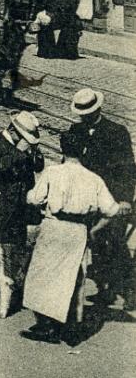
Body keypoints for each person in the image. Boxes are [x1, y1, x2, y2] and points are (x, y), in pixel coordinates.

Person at [20, 153, 130, 343]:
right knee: (69, 278)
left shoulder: (52, 172)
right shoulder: (94, 178)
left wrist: (32, 196)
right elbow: (110, 210)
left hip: (54, 226)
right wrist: (96, 227)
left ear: (64, 153)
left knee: (42, 275)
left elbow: (35, 198)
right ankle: (66, 326)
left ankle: (47, 326)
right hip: (78, 230)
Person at [60, 89, 136, 308]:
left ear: (98, 109)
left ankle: (130, 292)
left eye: (89, 113)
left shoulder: (117, 132)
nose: (85, 118)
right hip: (87, 200)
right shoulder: (75, 130)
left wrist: (124, 200)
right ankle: (106, 290)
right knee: (97, 246)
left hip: (112, 199)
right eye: (82, 114)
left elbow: (127, 170)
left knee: (116, 244)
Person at [0, 113, 44, 306]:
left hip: (21, 207)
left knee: (18, 249)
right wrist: (20, 151)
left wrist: (34, 152)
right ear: (13, 131)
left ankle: (16, 293)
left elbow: (38, 166)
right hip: (1, 208)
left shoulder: (24, 147)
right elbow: (1, 167)